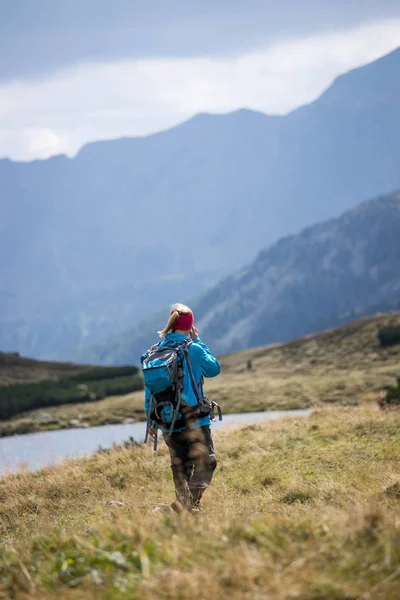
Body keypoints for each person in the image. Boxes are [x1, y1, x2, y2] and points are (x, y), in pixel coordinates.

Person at [144, 303, 221, 513]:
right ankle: (186, 506)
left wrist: (151, 422)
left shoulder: (154, 352)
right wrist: (198, 341)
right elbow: (214, 368)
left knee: (181, 467)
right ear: (190, 325)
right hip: (194, 420)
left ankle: (185, 508)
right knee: (207, 463)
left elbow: (149, 391)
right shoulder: (193, 349)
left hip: (167, 420)